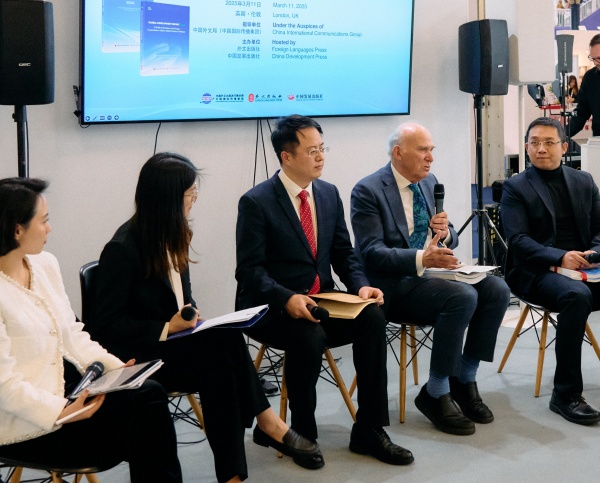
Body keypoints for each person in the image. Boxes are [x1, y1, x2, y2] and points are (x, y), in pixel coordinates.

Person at [90, 153, 320, 483]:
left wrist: (193, 319)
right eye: (190, 192)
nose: (194, 199)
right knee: (222, 353)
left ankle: (237, 470)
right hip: (139, 357)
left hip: (173, 346)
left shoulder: (175, 234)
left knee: (221, 357)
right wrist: (167, 327)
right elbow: (105, 328)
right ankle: (265, 426)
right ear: (169, 199)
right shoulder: (123, 249)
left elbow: (183, 302)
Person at [235, 114, 414, 467]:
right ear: (286, 156)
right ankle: (302, 432)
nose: (320, 157)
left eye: (322, 148)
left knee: (372, 317)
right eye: (311, 150)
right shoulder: (257, 202)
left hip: (321, 300)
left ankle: (369, 428)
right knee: (308, 335)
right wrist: (287, 298)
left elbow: (344, 253)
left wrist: (361, 286)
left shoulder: (328, 193)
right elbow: (249, 271)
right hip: (271, 308)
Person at [0, 178, 183, 482]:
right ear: (17, 230)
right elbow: (4, 387)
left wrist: (116, 369)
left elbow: (72, 334)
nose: (49, 228)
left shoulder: (44, 264)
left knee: (148, 395)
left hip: (67, 391)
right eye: (44, 221)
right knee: (144, 422)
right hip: (25, 421)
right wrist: (60, 410)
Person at [350, 123, 510, 436]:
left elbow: (448, 238)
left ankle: (464, 378)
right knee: (462, 297)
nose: (430, 158)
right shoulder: (368, 190)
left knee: (497, 289)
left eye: (431, 150)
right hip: (393, 285)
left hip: (433, 274)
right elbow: (371, 253)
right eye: (423, 150)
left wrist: (445, 233)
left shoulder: (429, 182)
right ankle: (436, 392)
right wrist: (422, 259)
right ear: (398, 153)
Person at [501, 117, 600, 425]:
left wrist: (594, 253)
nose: (541, 149)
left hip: (584, 266)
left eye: (548, 142)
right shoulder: (516, 187)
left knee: (579, 291)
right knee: (576, 296)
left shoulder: (584, 180)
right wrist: (561, 257)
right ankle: (565, 395)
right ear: (527, 147)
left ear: (564, 147)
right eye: (534, 143)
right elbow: (518, 241)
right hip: (536, 271)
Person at [568, 34, 600, 137]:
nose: (595, 63)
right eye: (593, 58)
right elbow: (582, 112)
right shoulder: (590, 77)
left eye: (599, 58)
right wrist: (562, 134)